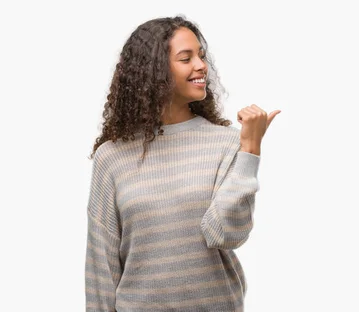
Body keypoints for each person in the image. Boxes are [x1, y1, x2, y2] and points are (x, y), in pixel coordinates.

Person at [84, 15, 280, 311]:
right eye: (185, 58)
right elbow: (102, 263)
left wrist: (250, 149)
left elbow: (225, 233)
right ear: (154, 71)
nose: (201, 66)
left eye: (201, 56)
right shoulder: (112, 157)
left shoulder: (225, 143)